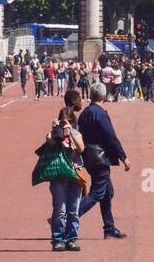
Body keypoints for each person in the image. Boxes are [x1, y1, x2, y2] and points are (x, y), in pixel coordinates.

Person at [76, 83, 129, 239]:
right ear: (104, 96)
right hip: (99, 158)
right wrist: (123, 157)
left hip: (88, 157)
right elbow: (111, 137)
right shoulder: (99, 113)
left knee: (107, 192)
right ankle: (66, 217)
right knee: (97, 193)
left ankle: (109, 227)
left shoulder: (85, 112)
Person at [44, 107, 85, 251]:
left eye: (69, 121)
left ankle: (71, 239)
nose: (66, 124)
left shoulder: (76, 133)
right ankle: (57, 239)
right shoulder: (55, 134)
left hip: (74, 174)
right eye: (63, 121)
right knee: (60, 210)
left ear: (73, 122)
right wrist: (55, 130)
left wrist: (71, 132)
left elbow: (81, 148)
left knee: (73, 210)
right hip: (59, 176)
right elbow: (49, 142)